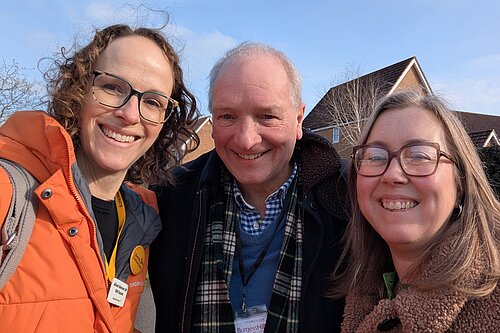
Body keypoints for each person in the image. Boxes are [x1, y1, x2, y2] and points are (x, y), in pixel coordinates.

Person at [0, 24, 198, 332]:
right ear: (79, 89)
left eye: (153, 102)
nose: (130, 114)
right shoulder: (8, 194)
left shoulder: (141, 217)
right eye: (113, 87)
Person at [149, 42, 349, 333]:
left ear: (298, 119)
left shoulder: (351, 199)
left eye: (266, 116)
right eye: (227, 116)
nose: (245, 140)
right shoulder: (169, 198)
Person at [336, 90, 500, 332]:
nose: (392, 175)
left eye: (419, 155)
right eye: (376, 156)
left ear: (461, 181)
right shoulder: (365, 288)